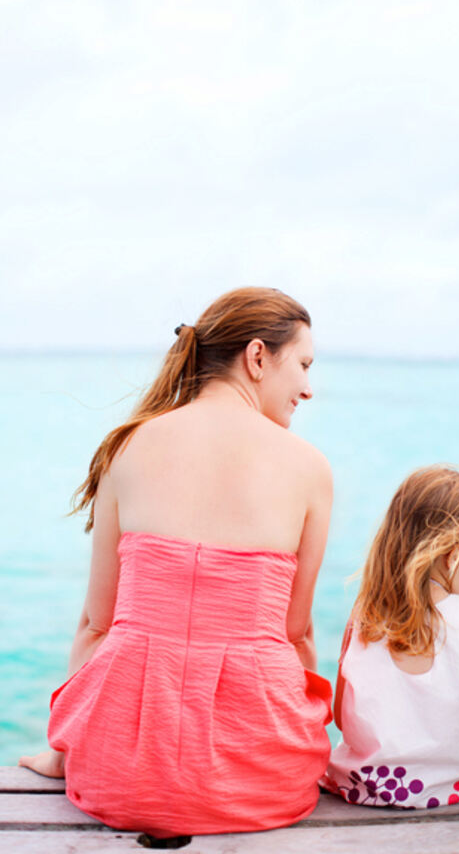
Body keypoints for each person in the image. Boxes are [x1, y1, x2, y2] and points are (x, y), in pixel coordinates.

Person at [18, 287, 334, 837]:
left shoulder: (128, 446)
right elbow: (297, 633)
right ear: (258, 357)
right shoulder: (308, 467)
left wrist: (66, 751)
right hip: (259, 783)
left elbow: (96, 624)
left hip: (119, 775)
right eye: (303, 365)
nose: (308, 388)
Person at [323, 466, 459, 808]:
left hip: (365, 788)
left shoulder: (362, 618)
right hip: (456, 788)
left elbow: (344, 719)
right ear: (453, 557)